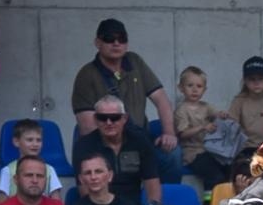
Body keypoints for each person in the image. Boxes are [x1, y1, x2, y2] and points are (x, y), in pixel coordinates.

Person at [69, 18, 182, 183]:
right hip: (106, 144)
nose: (116, 43)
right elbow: (87, 126)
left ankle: (165, 204)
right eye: (109, 38)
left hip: (140, 139)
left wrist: (169, 133)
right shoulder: (86, 74)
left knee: (172, 153)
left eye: (121, 39)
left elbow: (161, 99)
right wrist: (118, 147)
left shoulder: (135, 61)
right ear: (97, 42)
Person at [71, 95, 180, 205]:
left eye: (114, 118)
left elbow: (152, 184)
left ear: (124, 118)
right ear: (95, 119)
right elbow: (84, 189)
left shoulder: (140, 141)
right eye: (103, 118)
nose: (109, 122)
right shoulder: (84, 145)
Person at [172, 66, 231, 187]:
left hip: (209, 150)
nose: (194, 90)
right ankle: (209, 203)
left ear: (204, 90)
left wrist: (222, 114)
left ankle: (226, 199)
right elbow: (183, 133)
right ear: (181, 88)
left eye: (199, 86)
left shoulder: (205, 106)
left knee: (228, 167)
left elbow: (216, 114)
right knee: (214, 175)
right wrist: (202, 127)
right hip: (192, 153)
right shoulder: (181, 110)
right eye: (190, 85)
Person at [0, 120, 64, 203]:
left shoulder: (49, 170)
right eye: (30, 140)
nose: (35, 144)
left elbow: (57, 204)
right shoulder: (7, 171)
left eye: (38, 140)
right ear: (16, 142)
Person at [226, 57, 263, 151]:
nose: (256, 83)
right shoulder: (239, 102)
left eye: (260, 79)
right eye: (252, 79)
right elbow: (231, 127)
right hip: (245, 149)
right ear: (245, 81)